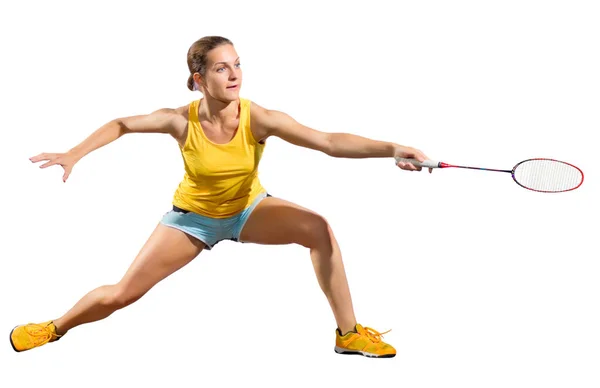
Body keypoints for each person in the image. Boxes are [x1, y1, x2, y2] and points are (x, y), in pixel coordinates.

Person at [11, 36, 432, 359]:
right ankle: (55, 326)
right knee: (123, 294)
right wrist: (74, 154)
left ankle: (348, 334)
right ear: (199, 79)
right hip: (192, 220)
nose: (234, 75)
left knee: (318, 228)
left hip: (248, 210)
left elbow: (327, 141)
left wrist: (393, 149)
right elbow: (121, 124)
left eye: (237, 65)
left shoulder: (258, 117)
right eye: (220, 68)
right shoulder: (180, 120)